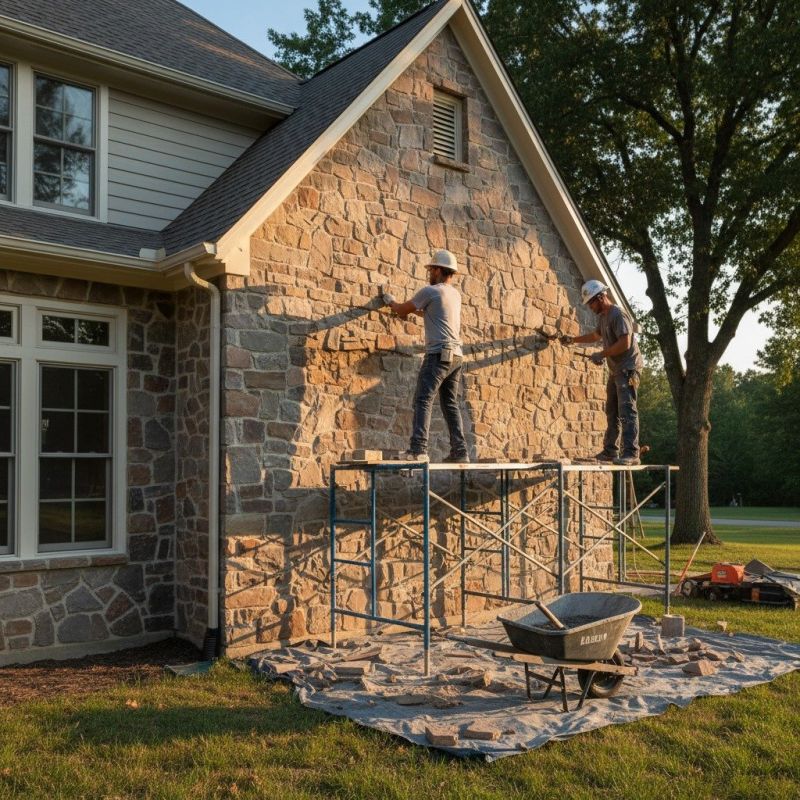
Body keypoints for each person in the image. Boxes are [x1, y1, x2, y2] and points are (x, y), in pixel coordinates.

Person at [381, 250, 468, 463]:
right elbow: (432, 313)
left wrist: (390, 301)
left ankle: (418, 450)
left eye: (431, 269)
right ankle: (460, 452)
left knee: (423, 399)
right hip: (456, 357)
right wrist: (415, 312)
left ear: (438, 270)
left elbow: (402, 309)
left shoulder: (430, 291)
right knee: (450, 403)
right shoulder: (454, 294)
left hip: (438, 355)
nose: (429, 273)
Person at [561, 280, 643, 465]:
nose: (590, 307)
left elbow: (625, 343)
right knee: (612, 411)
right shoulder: (604, 317)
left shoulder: (618, 314)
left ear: (600, 297)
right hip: (616, 370)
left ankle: (632, 453)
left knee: (627, 410)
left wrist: (601, 354)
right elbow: (596, 336)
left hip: (628, 369)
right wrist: (573, 340)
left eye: (591, 302)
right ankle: (610, 452)